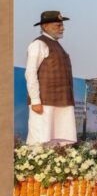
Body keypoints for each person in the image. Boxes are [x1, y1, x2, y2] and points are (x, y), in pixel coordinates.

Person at [25, 11, 77, 145]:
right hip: (44, 103)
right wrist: (36, 100)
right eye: (58, 25)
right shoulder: (38, 44)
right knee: (40, 140)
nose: (62, 28)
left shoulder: (58, 45)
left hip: (63, 102)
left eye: (62, 25)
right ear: (45, 26)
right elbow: (30, 73)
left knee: (60, 141)